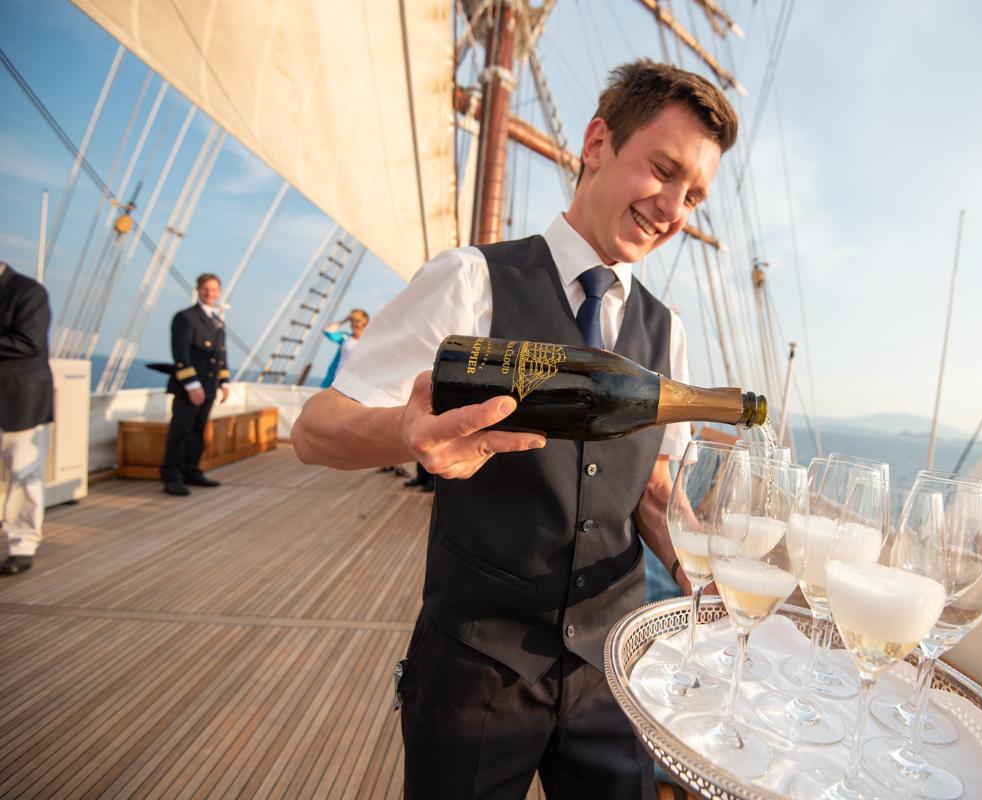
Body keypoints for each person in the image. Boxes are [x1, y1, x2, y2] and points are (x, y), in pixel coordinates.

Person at [292, 60, 737, 799]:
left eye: (694, 196)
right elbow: (315, 430)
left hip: (611, 672)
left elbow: (653, 490)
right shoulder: (471, 281)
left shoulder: (667, 334)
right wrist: (408, 436)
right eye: (663, 171)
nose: (674, 208)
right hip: (476, 670)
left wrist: (711, 579)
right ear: (596, 143)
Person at [1, 261, 53, 576]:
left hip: (19, 397)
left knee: (23, 473)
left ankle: (21, 543)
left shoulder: (28, 292)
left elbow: (30, 342)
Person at [160, 273, 230, 497]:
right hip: (190, 387)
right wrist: (192, 385)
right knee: (181, 431)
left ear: (219, 292)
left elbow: (220, 355)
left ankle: (191, 470)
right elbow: (180, 353)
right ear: (198, 290)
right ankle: (172, 475)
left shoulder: (217, 322)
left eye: (214, 290)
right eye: (206, 289)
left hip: (209, 386)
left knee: (198, 431)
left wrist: (224, 382)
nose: (210, 293)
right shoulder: (186, 317)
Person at [319, 308, 370, 388]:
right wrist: (345, 320)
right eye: (352, 323)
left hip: (355, 382)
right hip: (335, 380)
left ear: (365, 325)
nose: (355, 327)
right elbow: (327, 331)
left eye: (358, 324)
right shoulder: (345, 337)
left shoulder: (369, 342)